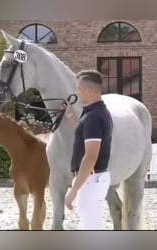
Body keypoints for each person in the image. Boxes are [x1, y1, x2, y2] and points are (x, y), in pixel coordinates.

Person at [65, 70, 113, 230]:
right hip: (93, 179)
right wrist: (72, 119)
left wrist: (73, 191)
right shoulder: (97, 113)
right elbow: (84, 137)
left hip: (91, 180)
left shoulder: (94, 117)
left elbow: (91, 156)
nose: (77, 92)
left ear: (88, 90)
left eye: (78, 88)